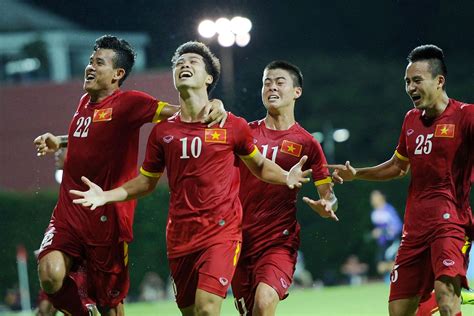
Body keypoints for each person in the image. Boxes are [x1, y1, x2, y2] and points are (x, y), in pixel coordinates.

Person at [69, 41, 311, 316]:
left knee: (208, 310)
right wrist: (106, 195)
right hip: (180, 237)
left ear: (209, 78)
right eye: (179, 63)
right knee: (193, 312)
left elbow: (259, 165)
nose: (184, 65)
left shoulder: (232, 125)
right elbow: (146, 182)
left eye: (192, 62)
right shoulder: (162, 133)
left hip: (221, 232)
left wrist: (284, 176)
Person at [33, 35, 227, 316]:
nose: (90, 67)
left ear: (117, 74)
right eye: (90, 61)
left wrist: (215, 104)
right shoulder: (84, 104)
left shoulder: (130, 103)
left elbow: (179, 113)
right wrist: (60, 142)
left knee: (110, 305)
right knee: (49, 274)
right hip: (69, 214)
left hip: (108, 219)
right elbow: (93, 137)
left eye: (99, 63)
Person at [328, 44, 473, 316]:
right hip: (414, 229)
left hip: (450, 223)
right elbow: (397, 167)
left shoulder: (466, 116)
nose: (410, 88)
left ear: (439, 81)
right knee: (398, 310)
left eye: (417, 80)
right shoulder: (410, 120)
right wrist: (358, 173)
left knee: (446, 297)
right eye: (407, 81)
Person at [232, 60, 338, 316]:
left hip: (278, 240)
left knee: (265, 301)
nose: (271, 87)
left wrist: (328, 205)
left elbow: (329, 194)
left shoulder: (307, 143)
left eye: (280, 82)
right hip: (238, 239)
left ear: (296, 91)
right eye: (266, 83)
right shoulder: (244, 133)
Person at [369, 190, 402, 283]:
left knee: (386, 265)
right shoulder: (374, 213)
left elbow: (398, 226)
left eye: (374, 197)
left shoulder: (389, 210)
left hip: (391, 242)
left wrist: (383, 231)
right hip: (381, 244)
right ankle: (390, 280)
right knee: (380, 267)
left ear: (381, 197)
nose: (372, 200)